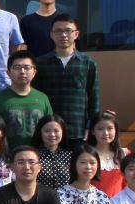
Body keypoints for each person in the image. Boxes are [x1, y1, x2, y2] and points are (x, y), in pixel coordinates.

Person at [32, 14, 100, 151]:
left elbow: (94, 98)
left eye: (68, 31)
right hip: (49, 132)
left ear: (76, 34)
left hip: (78, 131)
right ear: (52, 34)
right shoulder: (40, 63)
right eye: (58, 31)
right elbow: (35, 97)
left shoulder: (87, 63)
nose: (63, 35)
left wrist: (91, 126)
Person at [0, 51, 54, 150]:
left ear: (34, 72)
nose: (22, 71)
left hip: (38, 154)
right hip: (7, 155)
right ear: (8, 73)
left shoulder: (42, 98)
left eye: (27, 67)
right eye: (17, 67)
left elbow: (50, 127)